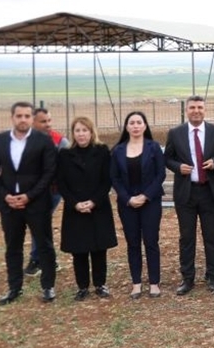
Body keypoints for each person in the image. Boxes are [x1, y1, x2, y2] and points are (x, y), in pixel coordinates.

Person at [0, 101, 59, 304]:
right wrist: (5, 195)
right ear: (12, 118)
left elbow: (49, 172)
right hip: (9, 205)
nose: (23, 120)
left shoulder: (43, 141)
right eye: (19, 116)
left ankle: (48, 286)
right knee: (13, 247)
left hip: (37, 203)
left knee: (44, 245)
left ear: (32, 118)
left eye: (27, 116)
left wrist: (29, 195)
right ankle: (14, 288)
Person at [164, 95, 214, 295]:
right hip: (186, 192)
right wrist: (178, 167)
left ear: (205, 110)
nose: (196, 111)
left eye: (200, 107)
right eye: (192, 107)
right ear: (187, 110)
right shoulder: (175, 133)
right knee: (187, 238)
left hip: (210, 191)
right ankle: (187, 278)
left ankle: (213, 276)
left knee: (212, 237)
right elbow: (167, 158)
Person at [56, 116, 117, 301]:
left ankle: (100, 284)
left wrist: (94, 201)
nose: (81, 134)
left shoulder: (102, 151)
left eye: (85, 130)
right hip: (75, 209)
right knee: (79, 250)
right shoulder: (65, 155)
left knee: (99, 249)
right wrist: (75, 203)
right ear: (73, 133)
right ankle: (82, 287)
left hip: (98, 207)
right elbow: (61, 183)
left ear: (91, 132)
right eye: (78, 130)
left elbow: (107, 180)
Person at [111, 111, 166, 299]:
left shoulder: (154, 147)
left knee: (151, 242)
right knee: (133, 243)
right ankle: (136, 283)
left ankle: (154, 283)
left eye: (139, 122)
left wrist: (145, 196)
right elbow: (115, 178)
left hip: (150, 202)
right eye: (132, 123)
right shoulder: (118, 150)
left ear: (145, 126)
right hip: (127, 204)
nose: (135, 126)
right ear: (126, 127)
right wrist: (128, 198)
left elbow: (160, 174)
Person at [25, 106, 67, 276]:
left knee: (39, 222)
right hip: (32, 191)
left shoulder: (60, 141)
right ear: (33, 122)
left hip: (52, 191)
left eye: (49, 120)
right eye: (43, 121)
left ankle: (39, 259)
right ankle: (47, 259)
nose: (48, 124)